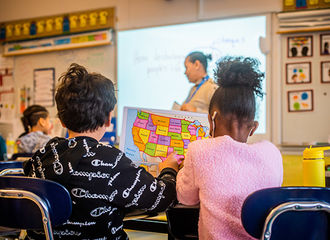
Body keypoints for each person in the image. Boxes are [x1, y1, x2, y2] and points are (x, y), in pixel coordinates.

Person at [23, 63, 179, 240]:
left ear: (62, 121)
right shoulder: (112, 161)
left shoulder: (42, 155)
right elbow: (161, 199)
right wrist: (169, 170)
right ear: (108, 119)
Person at [174, 56, 283, 239]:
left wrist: (172, 169)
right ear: (253, 127)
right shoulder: (272, 153)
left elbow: (186, 198)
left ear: (211, 119)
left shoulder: (199, 151)